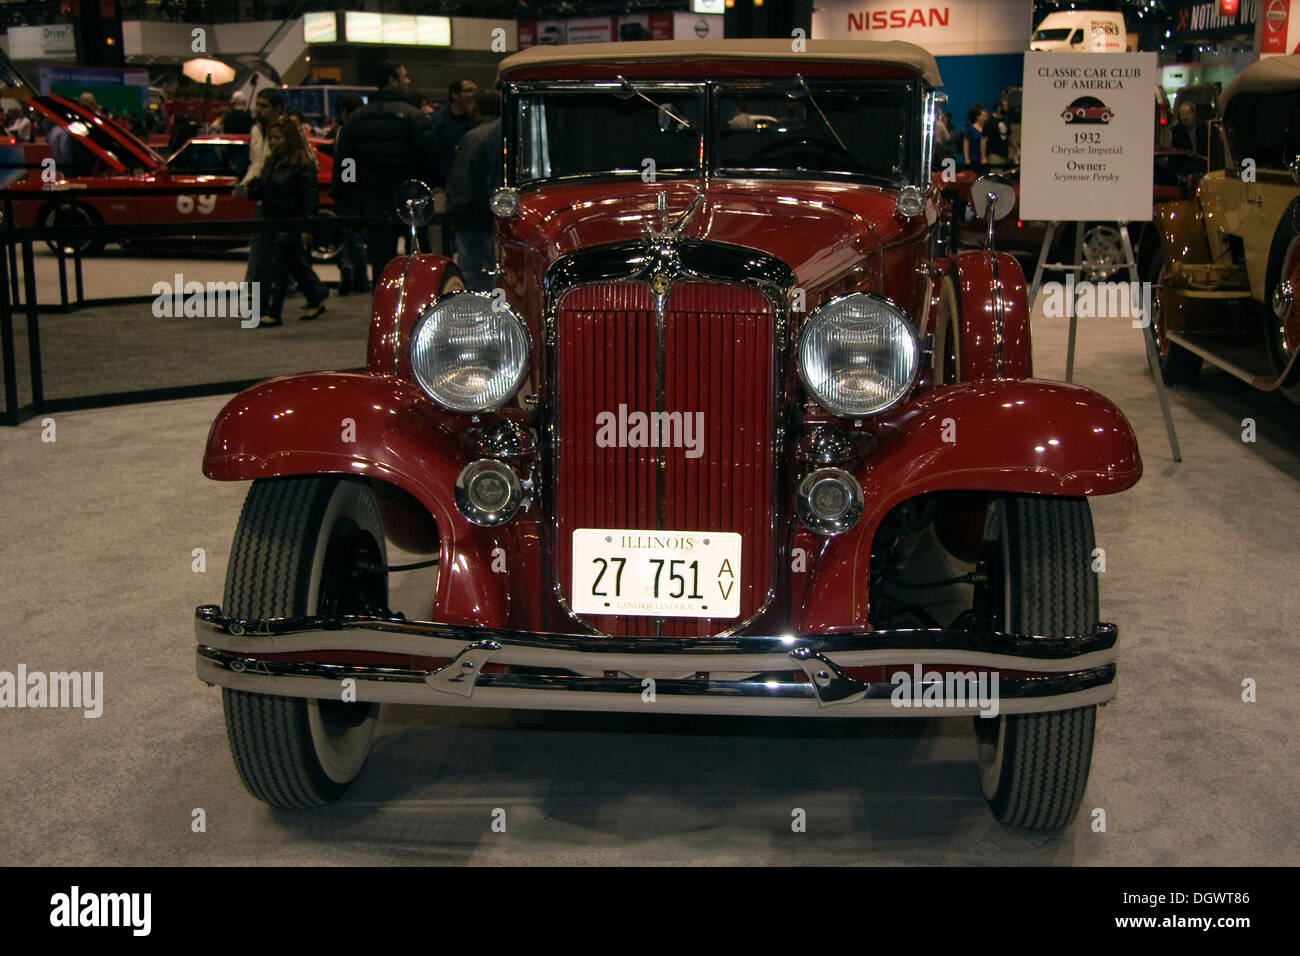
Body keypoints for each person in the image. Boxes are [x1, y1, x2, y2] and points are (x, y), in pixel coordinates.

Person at [332, 59, 440, 287]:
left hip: (374, 202)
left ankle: (385, 311)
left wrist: (352, 194)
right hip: (411, 200)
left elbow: (346, 164)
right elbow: (429, 161)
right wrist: (425, 187)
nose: (408, 81)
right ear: (392, 81)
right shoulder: (414, 117)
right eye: (404, 76)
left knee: (382, 264)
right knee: (419, 261)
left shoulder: (356, 119)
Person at [243, 117, 328, 327]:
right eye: (271, 138)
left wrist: (308, 227)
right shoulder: (272, 162)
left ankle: (273, 312)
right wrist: (253, 187)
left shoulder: (303, 164)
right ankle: (316, 295)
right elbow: (263, 187)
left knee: (278, 265)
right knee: (292, 263)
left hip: (291, 220)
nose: (273, 142)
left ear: (288, 139)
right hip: (270, 219)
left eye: (277, 138)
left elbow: (310, 198)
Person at [447, 90, 502, 292]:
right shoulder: (510, 131)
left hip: (474, 217)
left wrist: (457, 210)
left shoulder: (474, 137)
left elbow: (462, 181)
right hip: (498, 214)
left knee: (475, 273)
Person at [332, 93, 370, 297]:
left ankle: (353, 271)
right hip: (361, 190)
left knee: (350, 235)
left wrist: (346, 186)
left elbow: (347, 163)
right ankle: (356, 273)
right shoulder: (365, 130)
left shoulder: (346, 131)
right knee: (354, 236)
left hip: (350, 192)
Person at [429, 76, 478, 185]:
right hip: (443, 181)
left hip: (470, 181)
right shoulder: (438, 120)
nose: (474, 94)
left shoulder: (477, 120)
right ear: (455, 95)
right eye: (469, 90)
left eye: (475, 90)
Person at [962, 104, 987, 171]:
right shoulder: (970, 129)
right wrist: (966, 158)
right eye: (983, 116)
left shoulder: (987, 129)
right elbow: (966, 144)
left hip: (984, 159)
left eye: (986, 116)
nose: (985, 118)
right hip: (972, 158)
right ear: (978, 117)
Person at [985, 101, 1010, 166]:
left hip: (1005, 154)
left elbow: (1009, 135)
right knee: (995, 173)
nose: (1007, 108)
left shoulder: (1006, 120)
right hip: (994, 154)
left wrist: (1016, 148)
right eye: (1005, 106)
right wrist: (983, 157)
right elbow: (984, 140)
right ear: (999, 108)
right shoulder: (990, 121)